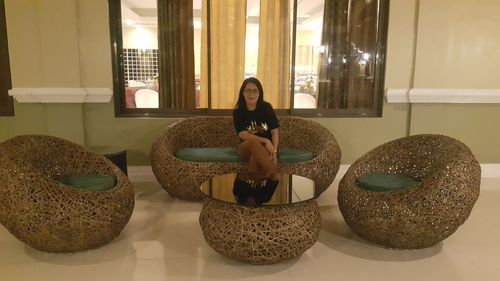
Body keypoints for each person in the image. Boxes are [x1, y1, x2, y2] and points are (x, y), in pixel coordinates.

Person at [233, 77, 279, 177]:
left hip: (265, 149)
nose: (251, 94)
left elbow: (274, 132)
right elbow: (242, 134)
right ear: (243, 93)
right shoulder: (238, 111)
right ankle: (274, 177)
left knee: (254, 159)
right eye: (248, 90)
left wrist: (274, 151)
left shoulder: (267, 108)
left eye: (255, 91)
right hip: (245, 147)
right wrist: (265, 141)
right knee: (254, 143)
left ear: (259, 93)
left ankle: (253, 191)